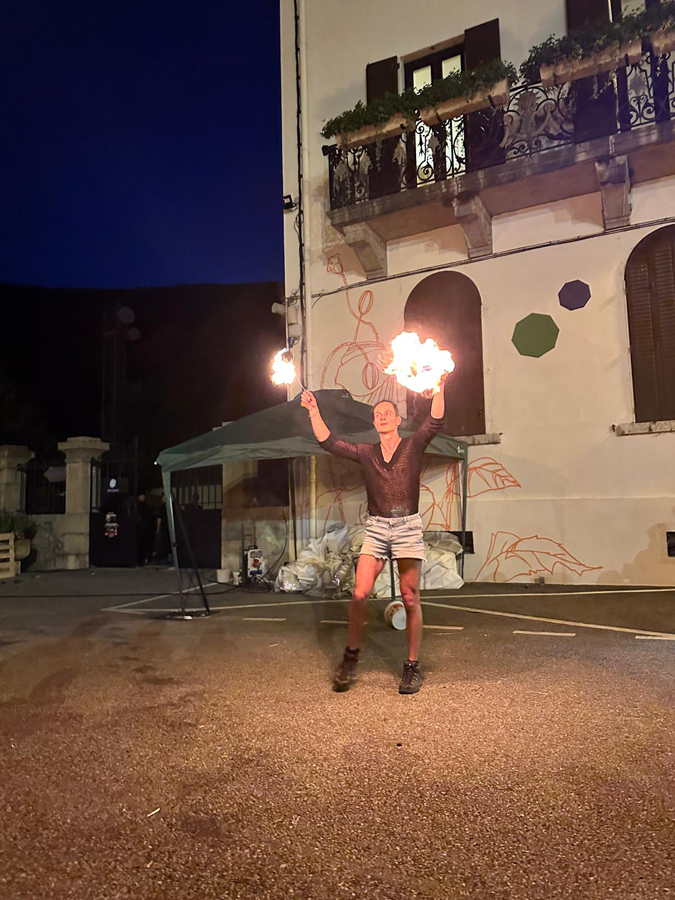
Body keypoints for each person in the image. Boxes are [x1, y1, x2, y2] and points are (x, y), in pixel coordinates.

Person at [301, 378, 448, 694]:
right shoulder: (366, 452)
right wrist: (313, 411)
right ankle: (351, 656)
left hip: (407, 527)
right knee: (359, 593)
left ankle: (412, 666)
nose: (381, 417)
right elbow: (330, 443)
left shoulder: (412, 445)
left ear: (397, 420)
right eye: (377, 414)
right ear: (375, 422)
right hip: (377, 528)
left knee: (410, 596)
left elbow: (435, 421)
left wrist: (440, 386)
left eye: (387, 413)